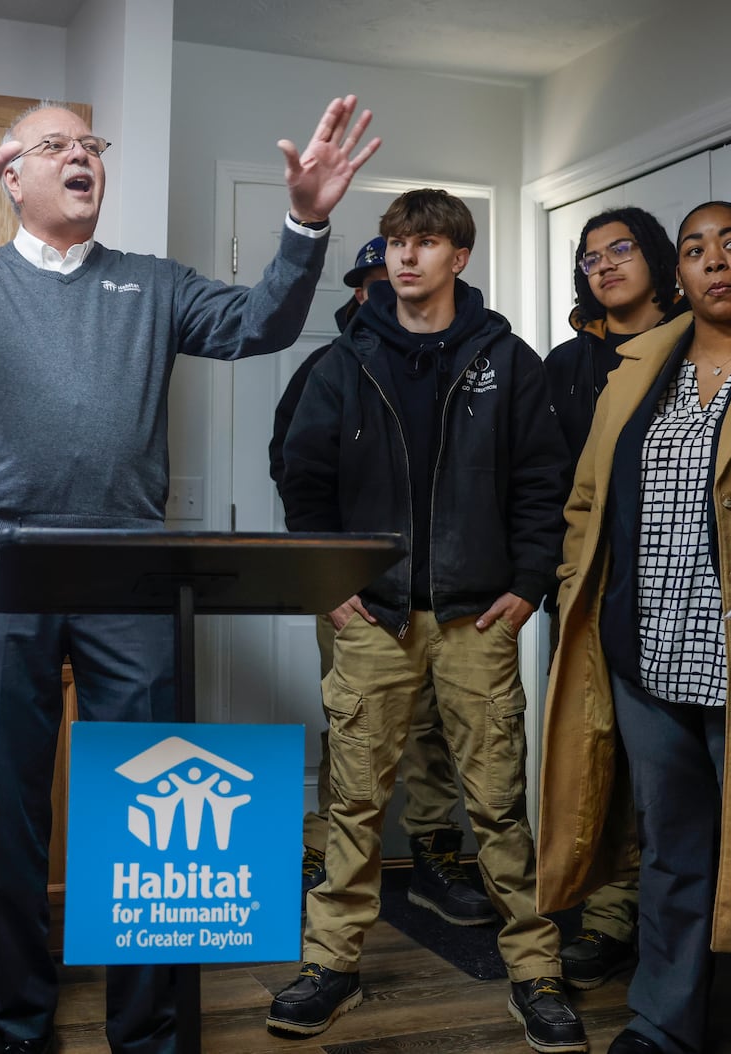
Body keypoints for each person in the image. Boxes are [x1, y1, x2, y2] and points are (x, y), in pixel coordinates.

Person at [0, 83, 379, 1054]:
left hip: (131, 564)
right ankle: (21, 1025)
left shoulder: (152, 284)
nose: (83, 156)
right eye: (57, 146)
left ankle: (146, 1033)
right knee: (12, 803)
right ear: (10, 179)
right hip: (3, 556)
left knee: (148, 802)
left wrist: (305, 226)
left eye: (92, 145)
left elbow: (261, 324)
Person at [272, 188, 585, 1052]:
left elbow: (542, 483)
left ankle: (535, 973)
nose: (407, 257)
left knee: (499, 804)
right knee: (354, 802)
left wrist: (528, 585)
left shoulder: (507, 361)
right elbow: (304, 483)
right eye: (396, 242)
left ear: (459, 257)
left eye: (426, 242)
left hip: (475, 620)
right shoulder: (343, 364)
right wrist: (330, 581)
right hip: (373, 617)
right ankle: (329, 965)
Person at [538, 202, 731, 1054]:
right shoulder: (640, 366)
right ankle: (663, 1022)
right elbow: (588, 498)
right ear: (680, 274)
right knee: (671, 849)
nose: (715, 261)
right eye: (697, 249)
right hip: (648, 654)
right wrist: (577, 588)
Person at [273, 235, 495, 928]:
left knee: (436, 731)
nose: (394, 281)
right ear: (359, 292)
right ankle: (327, 858)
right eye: (373, 279)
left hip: (447, 590)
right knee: (352, 728)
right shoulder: (329, 367)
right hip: (355, 591)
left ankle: (434, 859)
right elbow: (294, 470)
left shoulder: (471, 360)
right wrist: (329, 575)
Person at [541, 206, 684, 990]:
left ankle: (691, 925)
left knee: (678, 768)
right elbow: (544, 480)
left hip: (687, 585)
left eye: (620, 249)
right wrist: (554, 580)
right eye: (591, 257)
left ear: (656, 258)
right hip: (593, 585)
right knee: (601, 759)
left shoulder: (702, 338)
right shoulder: (565, 365)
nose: (605, 265)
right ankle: (609, 918)